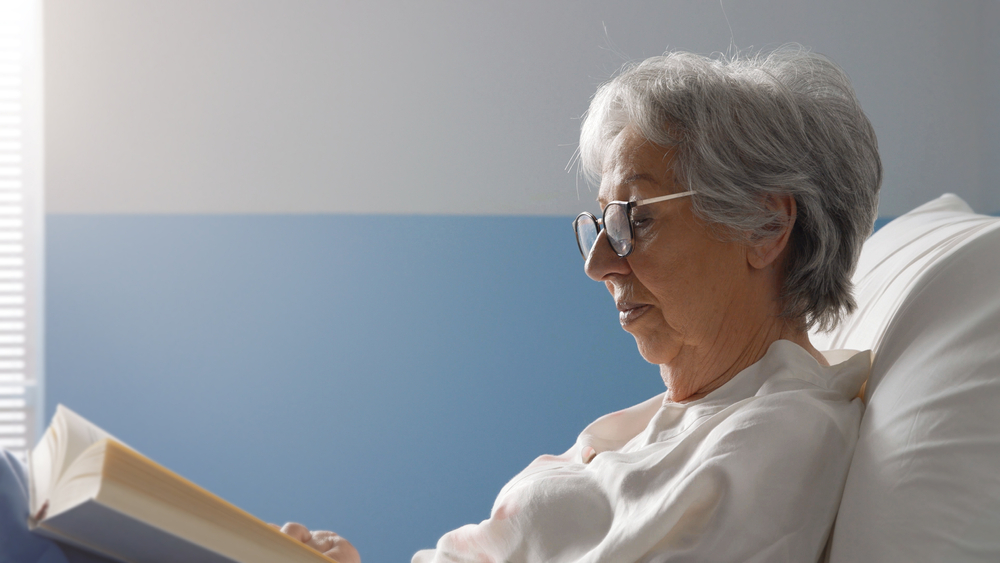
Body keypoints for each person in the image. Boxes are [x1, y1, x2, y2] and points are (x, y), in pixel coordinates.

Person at [282, 45, 882, 563]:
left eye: (636, 219)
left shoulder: (780, 440)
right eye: (601, 221)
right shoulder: (675, 420)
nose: (597, 264)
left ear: (763, 227)